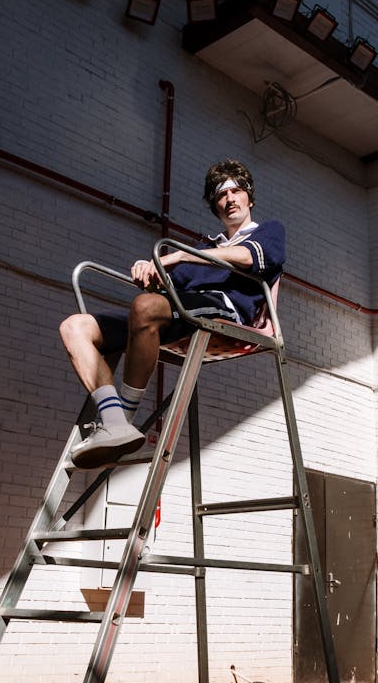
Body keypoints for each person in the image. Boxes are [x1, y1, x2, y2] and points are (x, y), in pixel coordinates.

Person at [59, 159, 285, 468]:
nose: (230, 199)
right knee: (75, 327)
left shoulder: (268, 232)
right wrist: (149, 270)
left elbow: (247, 256)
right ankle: (115, 422)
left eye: (236, 191)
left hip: (225, 310)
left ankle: (122, 416)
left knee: (144, 306)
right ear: (215, 205)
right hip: (180, 312)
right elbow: (165, 290)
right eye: (221, 195)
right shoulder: (205, 245)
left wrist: (176, 255)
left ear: (250, 197)